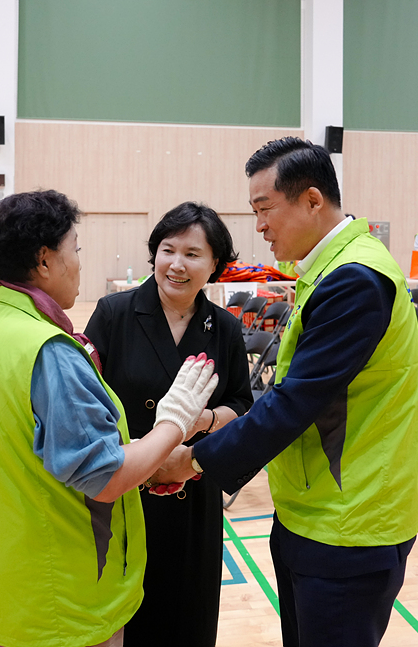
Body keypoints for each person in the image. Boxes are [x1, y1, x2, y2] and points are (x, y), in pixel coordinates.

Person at [155, 138, 418, 647]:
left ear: (313, 201)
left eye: (264, 209)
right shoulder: (326, 271)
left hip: (350, 526)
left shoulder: (356, 280)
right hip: (311, 510)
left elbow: (296, 402)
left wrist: (192, 461)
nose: (258, 226)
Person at [0, 190, 219, 647]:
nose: (79, 262)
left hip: (1, 581)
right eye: (74, 249)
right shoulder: (49, 352)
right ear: (44, 260)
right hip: (61, 599)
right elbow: (106, 477)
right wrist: (174, 422)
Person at [85, 202, 253, 647]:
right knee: (128, 613)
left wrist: (206, 419)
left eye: (193, 254)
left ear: (215, 264)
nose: (177, 265)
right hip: (124, 489)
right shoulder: (113, 314)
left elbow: (242, 404)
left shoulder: (226, 329)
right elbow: (86, 401)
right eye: (167, 250)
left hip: (192, 489)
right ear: (153, 254)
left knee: (188, 613)